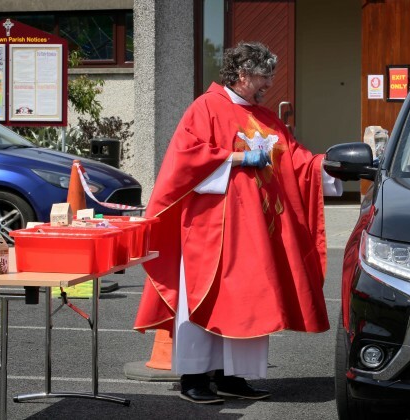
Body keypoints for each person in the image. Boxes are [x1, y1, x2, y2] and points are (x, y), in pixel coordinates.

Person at [134, 41, 342, 404]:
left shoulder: (267, 118)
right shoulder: (206, 108)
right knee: (204, 298)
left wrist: (329, 165)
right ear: (243, 74)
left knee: (248, 301)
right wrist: (237, 158)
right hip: (212, 229)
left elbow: (296, 160)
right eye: (264, 76)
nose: (269, 84)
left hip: (257, 230)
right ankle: (194, 377)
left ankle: (232, 376)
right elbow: (185, 160)